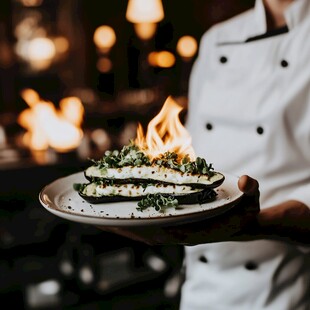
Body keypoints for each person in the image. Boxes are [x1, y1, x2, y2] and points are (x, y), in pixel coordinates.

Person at [100, 0, 310, 309]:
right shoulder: (216, 39)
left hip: (279, 291)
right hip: (200, 288)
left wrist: (257, 224)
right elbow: (194, 151)